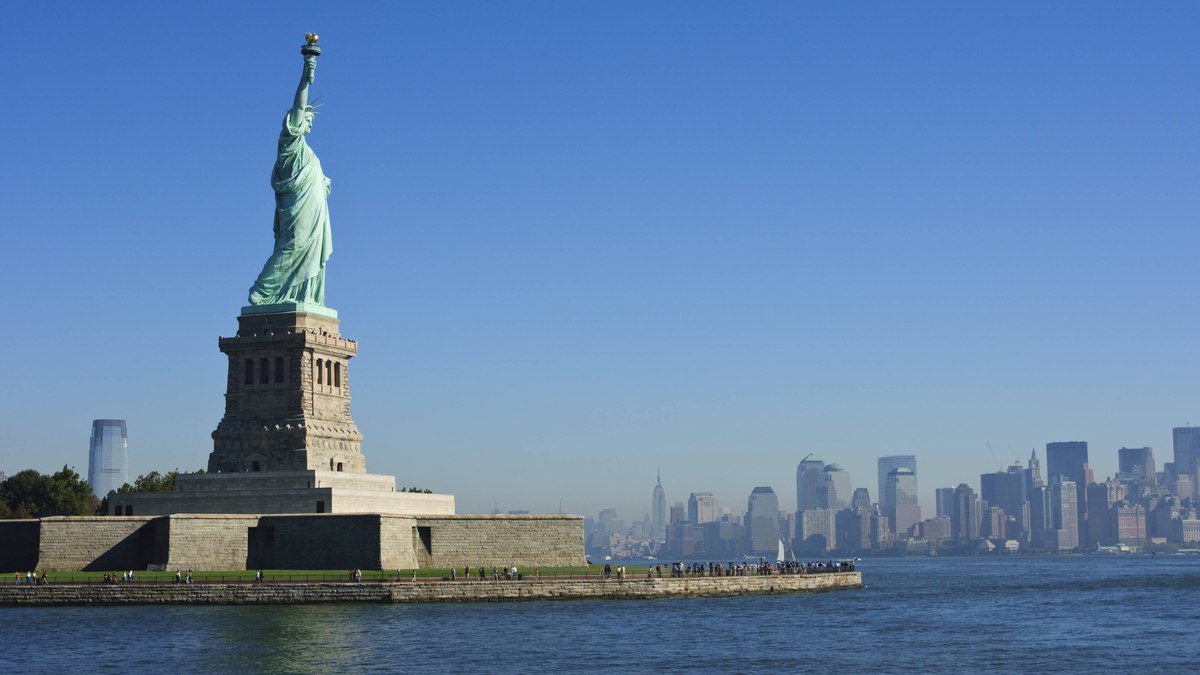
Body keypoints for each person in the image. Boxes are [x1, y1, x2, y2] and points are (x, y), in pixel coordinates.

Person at [248, 47, 334, 307]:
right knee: (292, 248)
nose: (308, 123)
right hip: (299, 212)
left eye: (309, 121)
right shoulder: (290, 144)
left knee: (307, 253)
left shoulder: (310, 155)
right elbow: (298, 102)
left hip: (314, 213)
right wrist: (307, 72)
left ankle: (302, 296)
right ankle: (262, 292)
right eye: (305, 119)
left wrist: (323, 183)